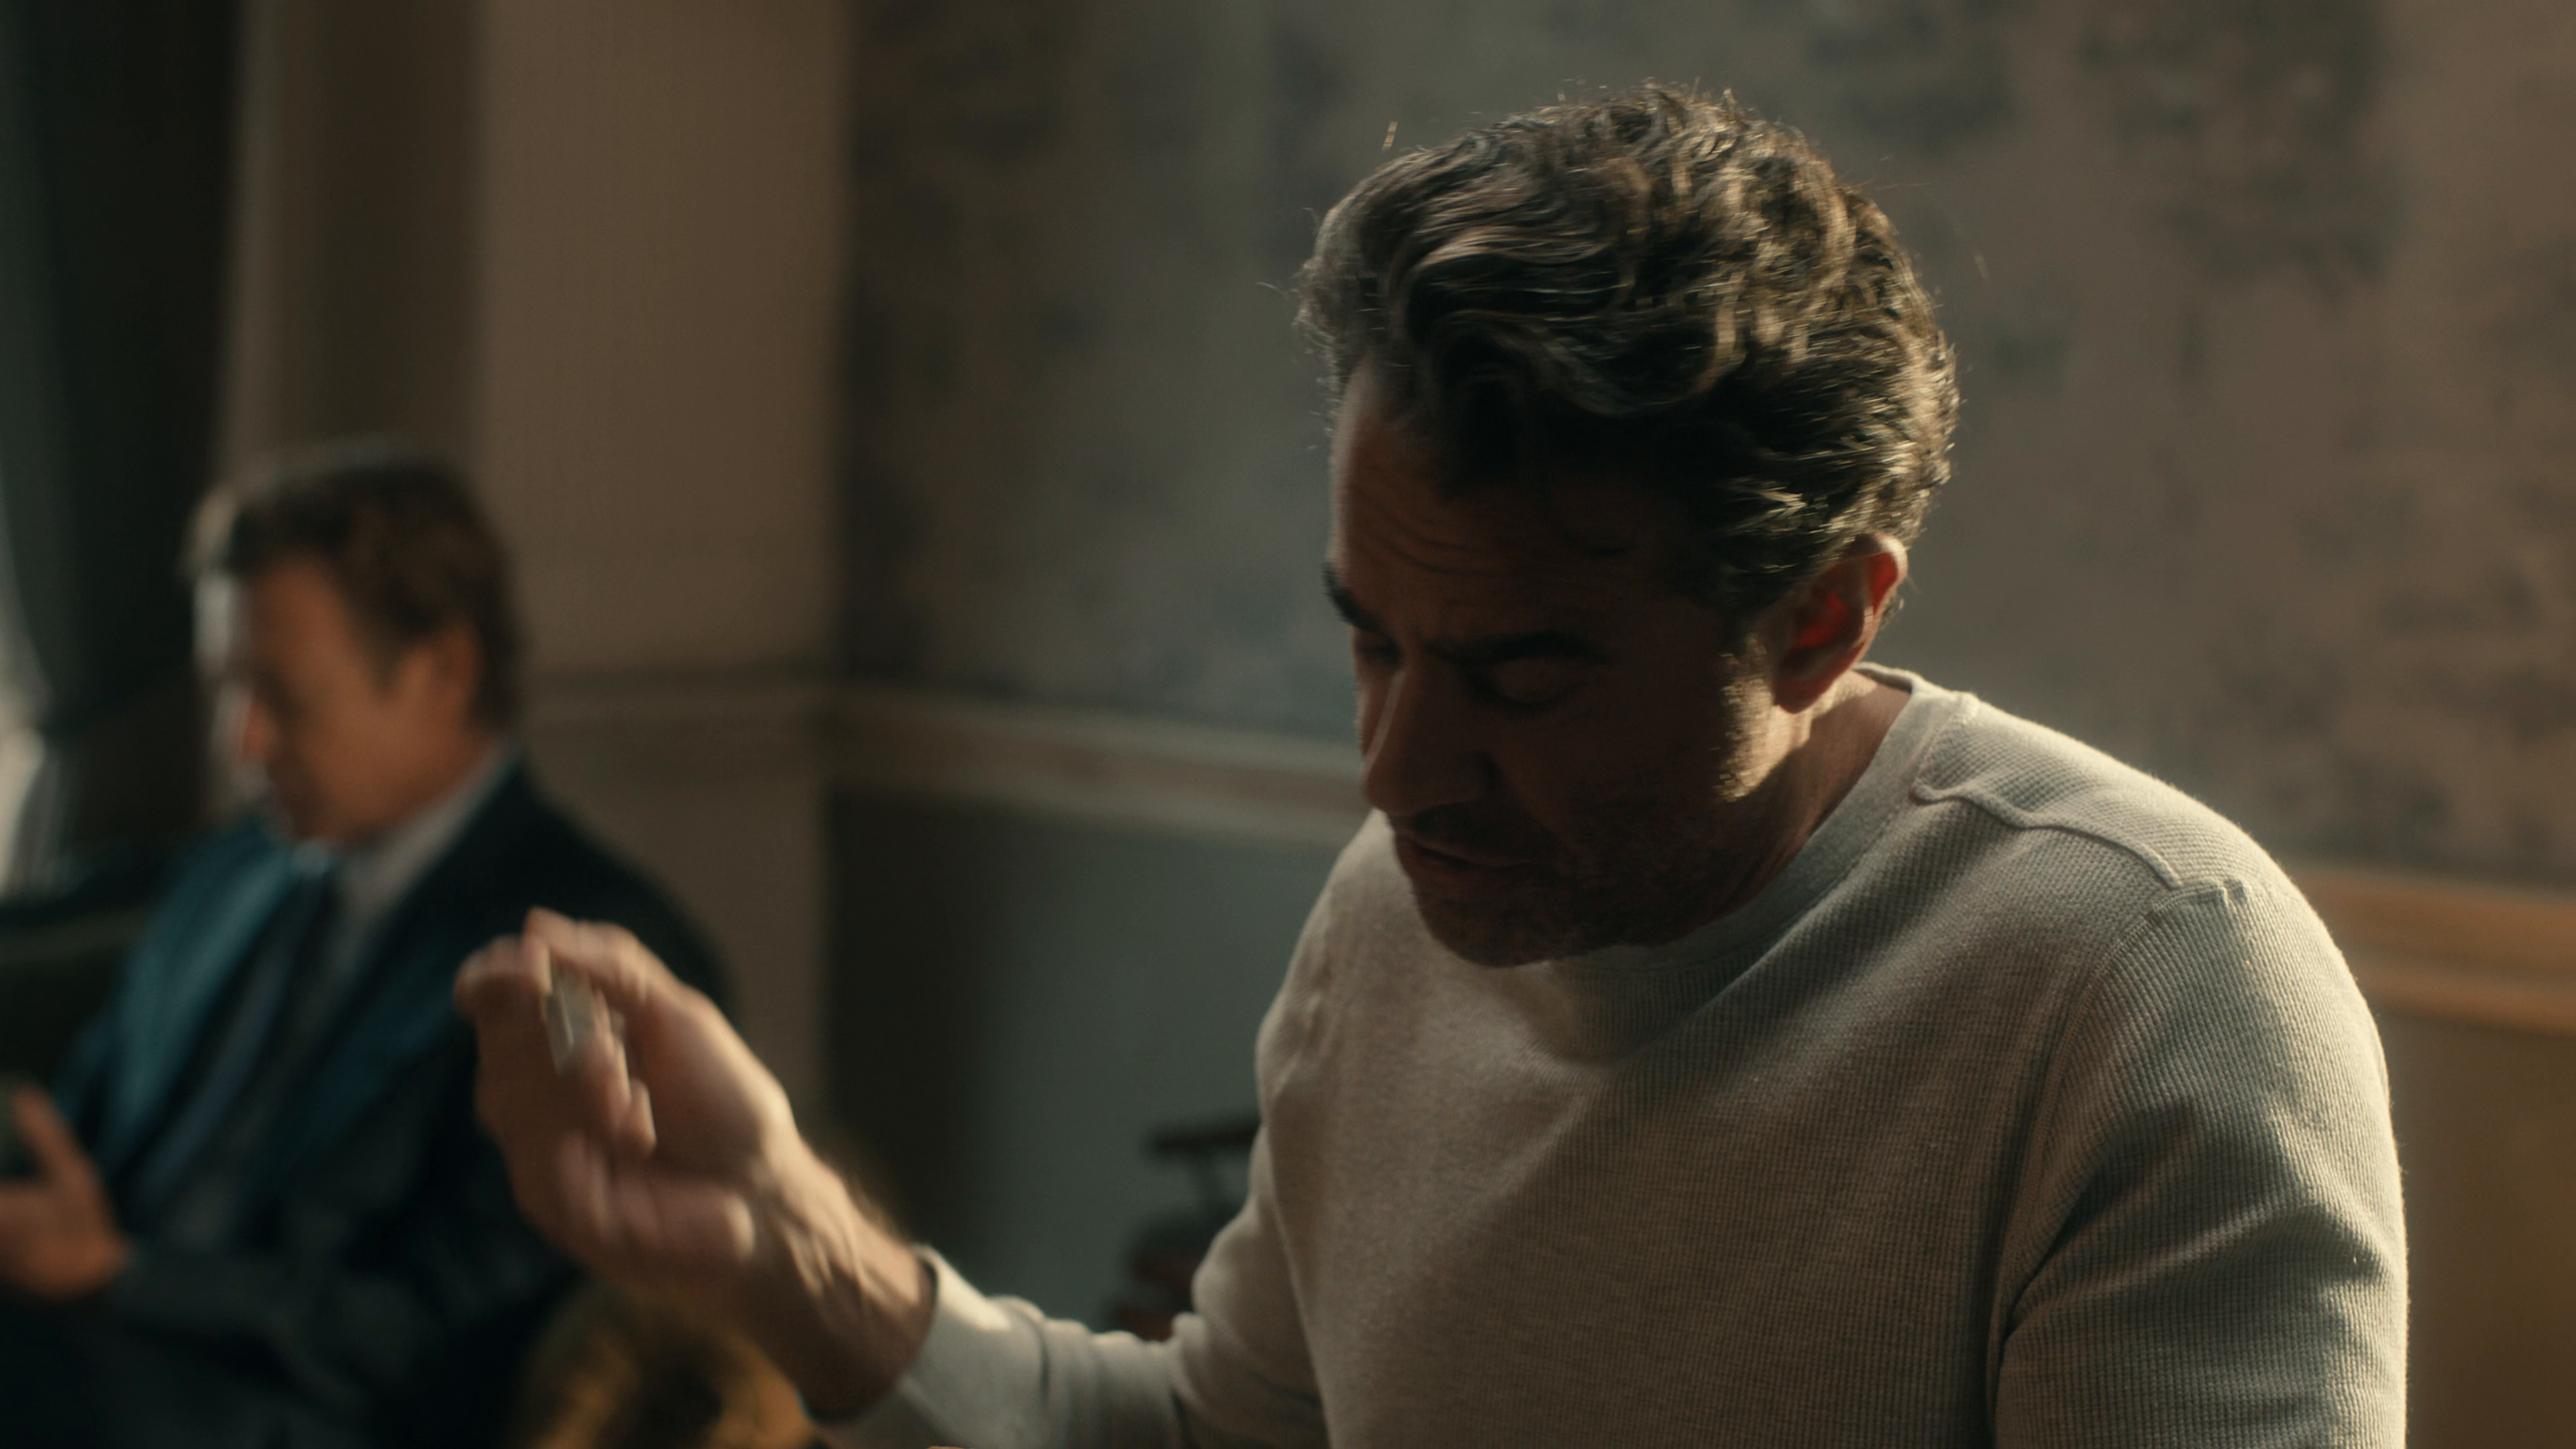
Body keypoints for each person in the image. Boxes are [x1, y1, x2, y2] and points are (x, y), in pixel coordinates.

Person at [457, 90, 2406, 1446]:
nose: (1398, 778)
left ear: (1820, 620)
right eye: (1371, 641)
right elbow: (1225, 1438)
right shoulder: (1404, 914)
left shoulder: (2152, 993)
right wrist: (792, 1246)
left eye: (1524, 674)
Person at [0, 445, 728, 1448]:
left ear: (444, 671)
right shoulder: (239, 870)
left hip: (273, 1414)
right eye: (227, 690)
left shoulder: (585, 964)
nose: (240, 744)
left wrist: (126, 1276)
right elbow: (76, 1127)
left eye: (283, 698)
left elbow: (447, 1332)